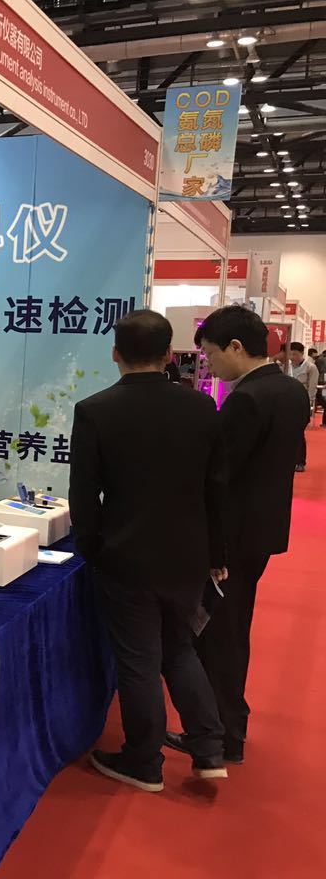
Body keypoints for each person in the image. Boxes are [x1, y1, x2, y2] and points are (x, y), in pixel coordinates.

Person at [69, 309, 227, 792]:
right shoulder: (202, 407)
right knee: (178, 649)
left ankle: (144, 760)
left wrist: (92, 548)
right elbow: (216, 487)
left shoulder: (95, 410)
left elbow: (83, 494)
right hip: (188, 554)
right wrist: (216, 552)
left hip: (127, 555)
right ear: (169, 355)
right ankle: (209, 747)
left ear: (115, 353)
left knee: (139, 660)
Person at [181, 305, 306, 764]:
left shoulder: (247, 399)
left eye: (212, 354)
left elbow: (219, 477)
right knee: (231, 629)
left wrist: (212, 548)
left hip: (233, 536)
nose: (210, 365)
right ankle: (223, 729)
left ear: (235, 347)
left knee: (219, 635)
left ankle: (221, 735)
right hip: (262, 529)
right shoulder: (289, 389)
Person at [288, 342, 319, 470]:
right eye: (290, 354)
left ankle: (300, 462)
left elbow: (312, 388)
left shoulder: (310, 368)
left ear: (302, 353)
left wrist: (309, 404)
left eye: (295, 354)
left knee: (298, 433)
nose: (292, 357)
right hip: (287, 402)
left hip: (301, 403)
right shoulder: (287, 366)